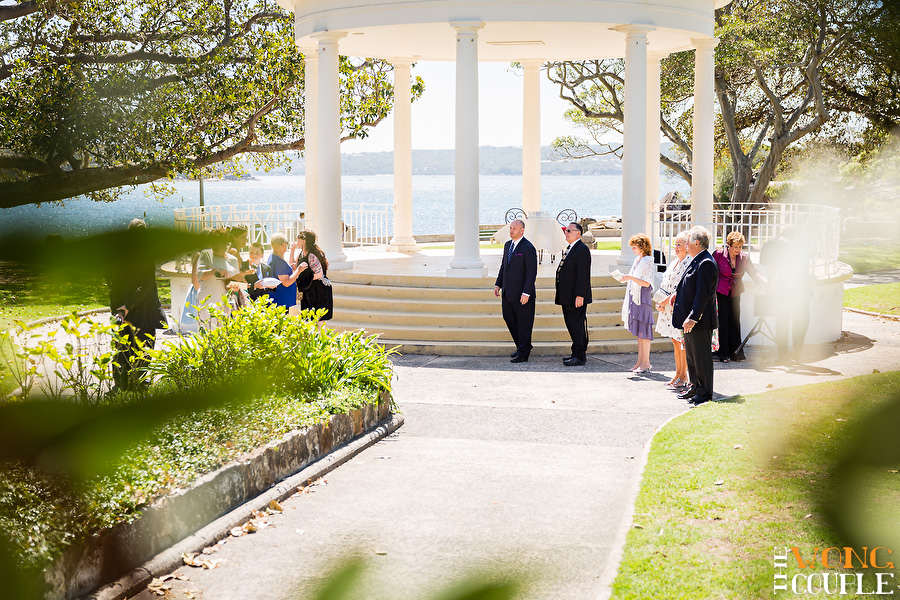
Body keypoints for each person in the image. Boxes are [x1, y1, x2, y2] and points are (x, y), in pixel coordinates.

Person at [106, 218, 167, 392]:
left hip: (123, 308)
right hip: (142, 309)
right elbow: (146, 285)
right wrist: (128, 305)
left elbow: (112, 283)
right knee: (143, 346)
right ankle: (139, 383)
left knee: (122, 346)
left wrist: (119, 307)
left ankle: (121, 383)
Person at [672, 226, 719, 405]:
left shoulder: (706, 262)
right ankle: (695, 386)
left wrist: (693, 317)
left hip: (700, 320)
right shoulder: (696, 259)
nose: (685, 245)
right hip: (690, 320)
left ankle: (704, 391)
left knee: (702, 358)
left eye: (688, 242)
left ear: (696, 243)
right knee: (692, 356)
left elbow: (703, 295)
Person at [712, 231, 766, 363]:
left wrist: (763, 280)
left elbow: (754, 272)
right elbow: (710, 271)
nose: (738, 250)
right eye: (735, 246)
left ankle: (736, 353)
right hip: (721, 291)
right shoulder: (718, 254)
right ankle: (723, 353)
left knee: (735, 322)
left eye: (740, 247)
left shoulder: (745, 258)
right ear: (728, 245)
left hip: (736, 292)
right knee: (722, 322)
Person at [762, 226, 812, 364]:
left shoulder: (796, 249)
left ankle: (789, 354)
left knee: (790, 323)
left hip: (795, 291)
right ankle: (789, 354)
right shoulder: (790, 249)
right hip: (791, 291)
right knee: (792, 323)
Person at [494, 219, 538, 363]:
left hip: (522, 295)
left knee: (524, 323)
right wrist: (498, 284)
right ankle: (522, 346)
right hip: (507, 292)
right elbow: (503, 266)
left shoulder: (528, 248)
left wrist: (526, 293)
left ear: (522, 230)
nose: (511, 230)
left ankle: (523, 352)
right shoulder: (508, 245)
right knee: (509, 319)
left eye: (514, 228)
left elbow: (531, 273)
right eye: (510, 228)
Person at [655, 231, 693, 389]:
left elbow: (682, 289)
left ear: (687, 246)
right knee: (674, 341)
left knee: (681, 342)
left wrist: (664, 301)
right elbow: (666, 284)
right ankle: (678, 373)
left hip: (678, 307)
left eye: (679, 244)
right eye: (675, 244)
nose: (676, 247)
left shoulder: (689, 262)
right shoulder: (673, 262)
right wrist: (659, 302)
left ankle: (684, 376)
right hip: (667, 308)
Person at [555, 222, 592, 366]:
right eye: (565, 230)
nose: (566, 233)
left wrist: (580, 295)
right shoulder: (572, 248)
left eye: (569, 230)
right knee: (572, 325)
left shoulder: (581, 249)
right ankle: (575, 353)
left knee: (576, 326)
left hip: (575, 297)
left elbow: (583, 275)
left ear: (578, 233)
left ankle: (579, 356)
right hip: (567, 296)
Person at [619, 233, 655, 374]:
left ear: (642, 247)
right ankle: (640, 361)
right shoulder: (638, 259)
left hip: (643, 297)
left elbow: (646, 282)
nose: (633, 250)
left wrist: (629, 277)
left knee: (644, 331)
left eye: (634, 247)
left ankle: (646, 362)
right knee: (640, 332)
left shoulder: (648, 261)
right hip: (635, 296)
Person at [196, 227, 241, 327]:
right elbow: (199, 275)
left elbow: (236, 280)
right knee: (208, 332)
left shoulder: (233, 260)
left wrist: (236, 287)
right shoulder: (206, 255)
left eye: (218, 242)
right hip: (207, 300)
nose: (215, 245)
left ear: (225, 243)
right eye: (213, 242)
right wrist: (214, 271)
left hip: (225, 302)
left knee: (223, 334)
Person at [292, 230, 333, 321]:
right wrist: (292, 250)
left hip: (318, 290)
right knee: (308, 319)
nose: (296, 239)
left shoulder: (312, 255)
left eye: (298, 237)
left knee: (318, 321)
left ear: (304, 241)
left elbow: (319, 274)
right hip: (308, 289)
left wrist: (304, 279)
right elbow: (294, 266)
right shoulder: (301, 254)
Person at [266, 232, 304, 311]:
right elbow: (286, 282)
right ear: (282, 244)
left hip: (277, 299)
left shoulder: (273, 257)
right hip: (280, 301)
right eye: (286, 243)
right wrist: (298, 270)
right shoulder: (279, 262)